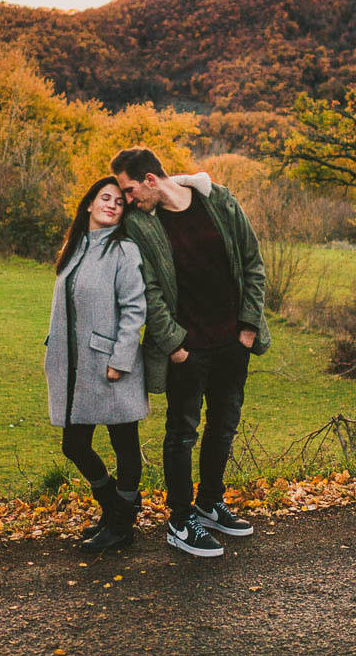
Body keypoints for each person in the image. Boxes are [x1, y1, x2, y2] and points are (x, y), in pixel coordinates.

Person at [110, 148, 270, 558]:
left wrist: (248, 328)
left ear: (149, 179)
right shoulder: (141, 225)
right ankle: (180, 519)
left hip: (234, 343)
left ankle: (210, 503)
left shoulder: (218, 200)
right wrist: (175, 345)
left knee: (224, 425)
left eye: (129, 190)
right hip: (186, 349)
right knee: (181, 433)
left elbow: (252, 262)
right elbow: (150, 292)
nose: (128, 199)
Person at [44, 177, 148, 553]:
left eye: (119, 202)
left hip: (110, 364)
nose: (112, 205)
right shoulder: (74, 248)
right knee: (74, 445)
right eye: (105, 198)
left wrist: (120, 360)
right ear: (89, 204)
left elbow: (135, 309)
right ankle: (117, 510)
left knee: (124, 443)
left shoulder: (124, 251)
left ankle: (120, 526)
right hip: (75, 367)